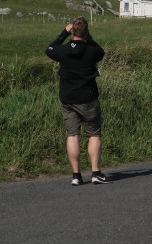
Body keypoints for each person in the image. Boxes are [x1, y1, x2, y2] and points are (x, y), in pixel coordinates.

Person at [45, 16, 111, 185]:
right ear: (87, 32)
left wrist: (63, 34)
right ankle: (96, 172)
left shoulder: (63, 50)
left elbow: (50, 48)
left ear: (72, 31)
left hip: (67, 97)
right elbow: (100, 50)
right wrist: (88, 37)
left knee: (72, 135)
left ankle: (76, 175)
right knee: (93, 135)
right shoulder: (92, 51)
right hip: (88, 97)